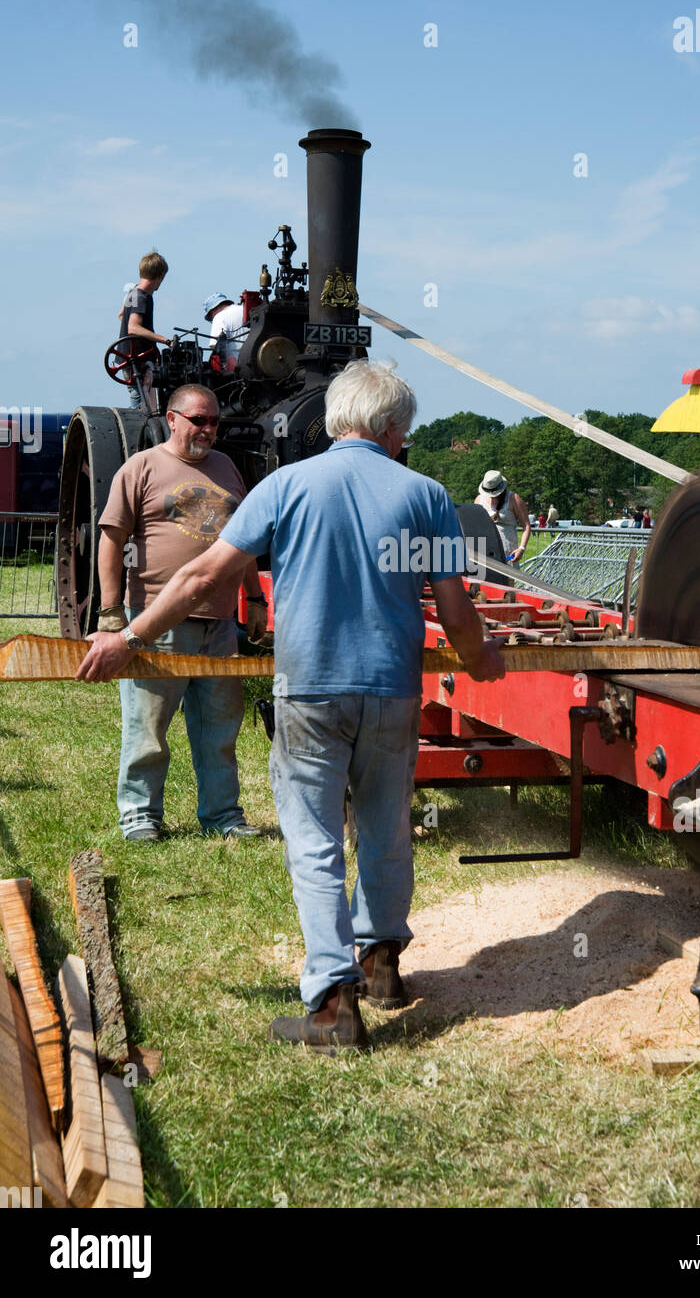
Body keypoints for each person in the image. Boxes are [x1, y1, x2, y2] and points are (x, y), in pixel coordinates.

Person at [76, 360, 505, 1052]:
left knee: (313, 841)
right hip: (392, 689)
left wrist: (128, 636)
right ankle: (382, 965)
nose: (406, 441)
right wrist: (481, 660)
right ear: (390, 427)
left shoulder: (285, 485)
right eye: (406, 431)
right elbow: (456, 613)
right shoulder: (426, 496)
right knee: (387, 826)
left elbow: (201, 576)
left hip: (309, 690)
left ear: (338, 419)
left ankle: (334, 1007)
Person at [94, 383, 268, 842]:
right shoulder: (142, 468)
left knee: (219, 729)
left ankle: (223, 817)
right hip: (155, 622)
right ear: (172, 420)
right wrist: (112, 614)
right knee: (148, 728)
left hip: (220, 626)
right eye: (199, 420)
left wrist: (253, 599)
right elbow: (110, 541)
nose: (209, 430)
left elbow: (244, 542)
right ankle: (140, 818)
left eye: (214, 422)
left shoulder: (227, 467)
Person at [118, 251, 172, 410]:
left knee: (139, 400)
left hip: (128, 358)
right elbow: (133, 327)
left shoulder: (133, 292)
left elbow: (122, 316)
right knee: (140, 407)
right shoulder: (142, 297)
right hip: (135, 362)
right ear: (160, 276)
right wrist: (164, 340)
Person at [475, 470, 531, 563]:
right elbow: (476, 527)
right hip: (486, 553)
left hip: (509, 554)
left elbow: (526, 525)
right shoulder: (479, 499)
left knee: (507, 577)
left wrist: (521, 548)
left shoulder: (513, 498)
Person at [204, 293, 248, 375]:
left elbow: (214, 346)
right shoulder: (246, 309)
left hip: (237, 368)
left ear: (212, 311)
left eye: (211, 317)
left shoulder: (219, 317)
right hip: (260, 361)